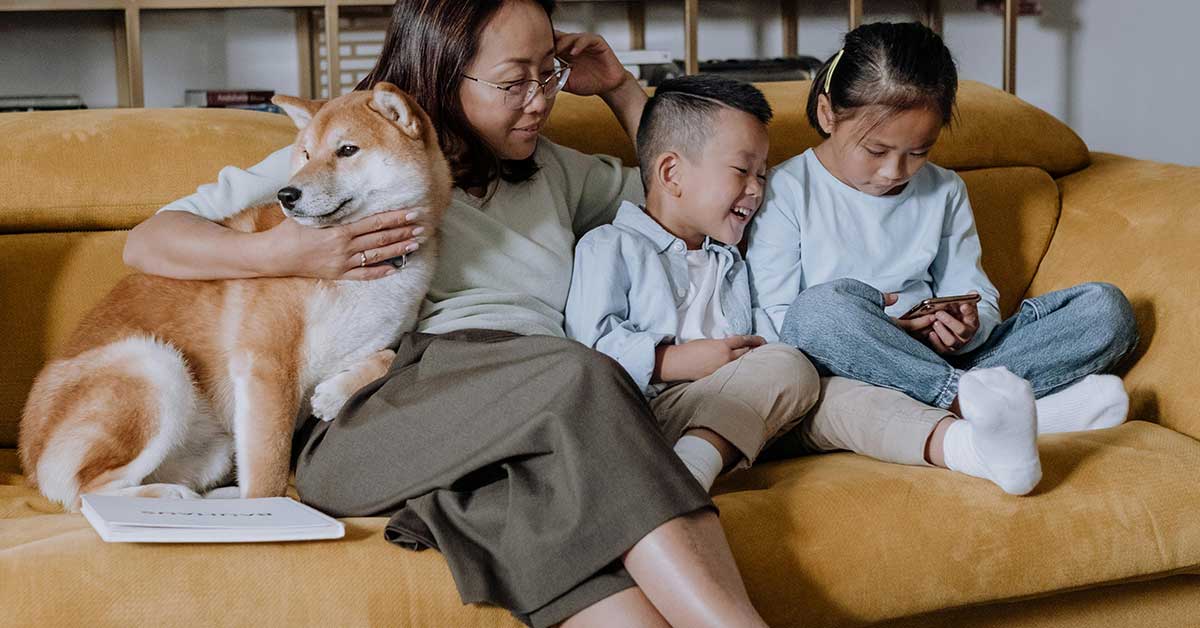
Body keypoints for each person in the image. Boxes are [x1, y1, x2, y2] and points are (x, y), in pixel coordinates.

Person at [124, 1, 768, 626]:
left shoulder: (553, 171)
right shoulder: (353, 147)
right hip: (385, 408)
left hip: (526, 421)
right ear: (440, 70)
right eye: (513, 81)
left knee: (547, 508)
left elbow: (683, 190)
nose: (539, 100)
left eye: (547, 73)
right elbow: (148, 241)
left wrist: (621, 90)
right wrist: (281, 251)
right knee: (584, 375)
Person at [747, 22, 1139, 496]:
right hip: (849, 368)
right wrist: (888, 333)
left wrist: (970, 323)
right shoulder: (788, 190)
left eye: (918, 152)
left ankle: (971, 400)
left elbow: (975, 291)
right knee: (819, 310)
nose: (894, 172)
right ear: (829, 113)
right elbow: (782, 322)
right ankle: (977, 404)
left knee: (1106, 309)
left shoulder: (945, 189)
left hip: (941, 359)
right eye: (876, 150)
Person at [565, 75, 820, 493]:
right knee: (789, 367)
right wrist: (676, 361)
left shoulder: (730, 259)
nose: (756, 190)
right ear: (672, 173)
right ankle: (687, 475)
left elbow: (763, 334)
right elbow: (588, 353)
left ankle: (938, 440)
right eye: (742, 170)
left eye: (762, 175)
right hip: (654, 411)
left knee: (829, 392)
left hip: (739, 398)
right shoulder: (609, 246)